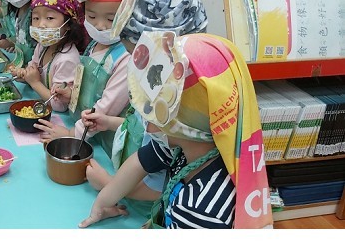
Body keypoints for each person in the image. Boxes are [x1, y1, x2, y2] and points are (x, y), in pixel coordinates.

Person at [79, 30, 273, 229]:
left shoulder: (201, 210)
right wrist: (101, 205)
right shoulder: (189, 146)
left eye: (153, 116)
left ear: (184, 126)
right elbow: (140, 162)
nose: (147, 127)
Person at [80, 0, 208, 200]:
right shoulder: (158, 85)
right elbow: (144, 131)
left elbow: (162, 187)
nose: (135, 66)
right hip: (127, 187)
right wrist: (109, 122)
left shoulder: (183, 112)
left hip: (144, 204)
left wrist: (109, 185)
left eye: (137, 56)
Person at [34, 0, 139, 157]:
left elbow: (105, 108)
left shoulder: (126, 58)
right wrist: (72, 94)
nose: (100, 26)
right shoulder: (94, 45)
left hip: (104, 143)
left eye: (111, 19)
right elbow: (90, 90)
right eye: (91, 16)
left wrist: (71, 134)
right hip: (87, 132)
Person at [9, 0, 86, 112]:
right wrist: (24, 74)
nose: (41, 25)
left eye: (49, 18)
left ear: (68, 24)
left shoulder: (67, 59)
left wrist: (34, 83)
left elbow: (60, 105)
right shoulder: (42, 46)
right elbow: (33, 70)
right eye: (36, 18)